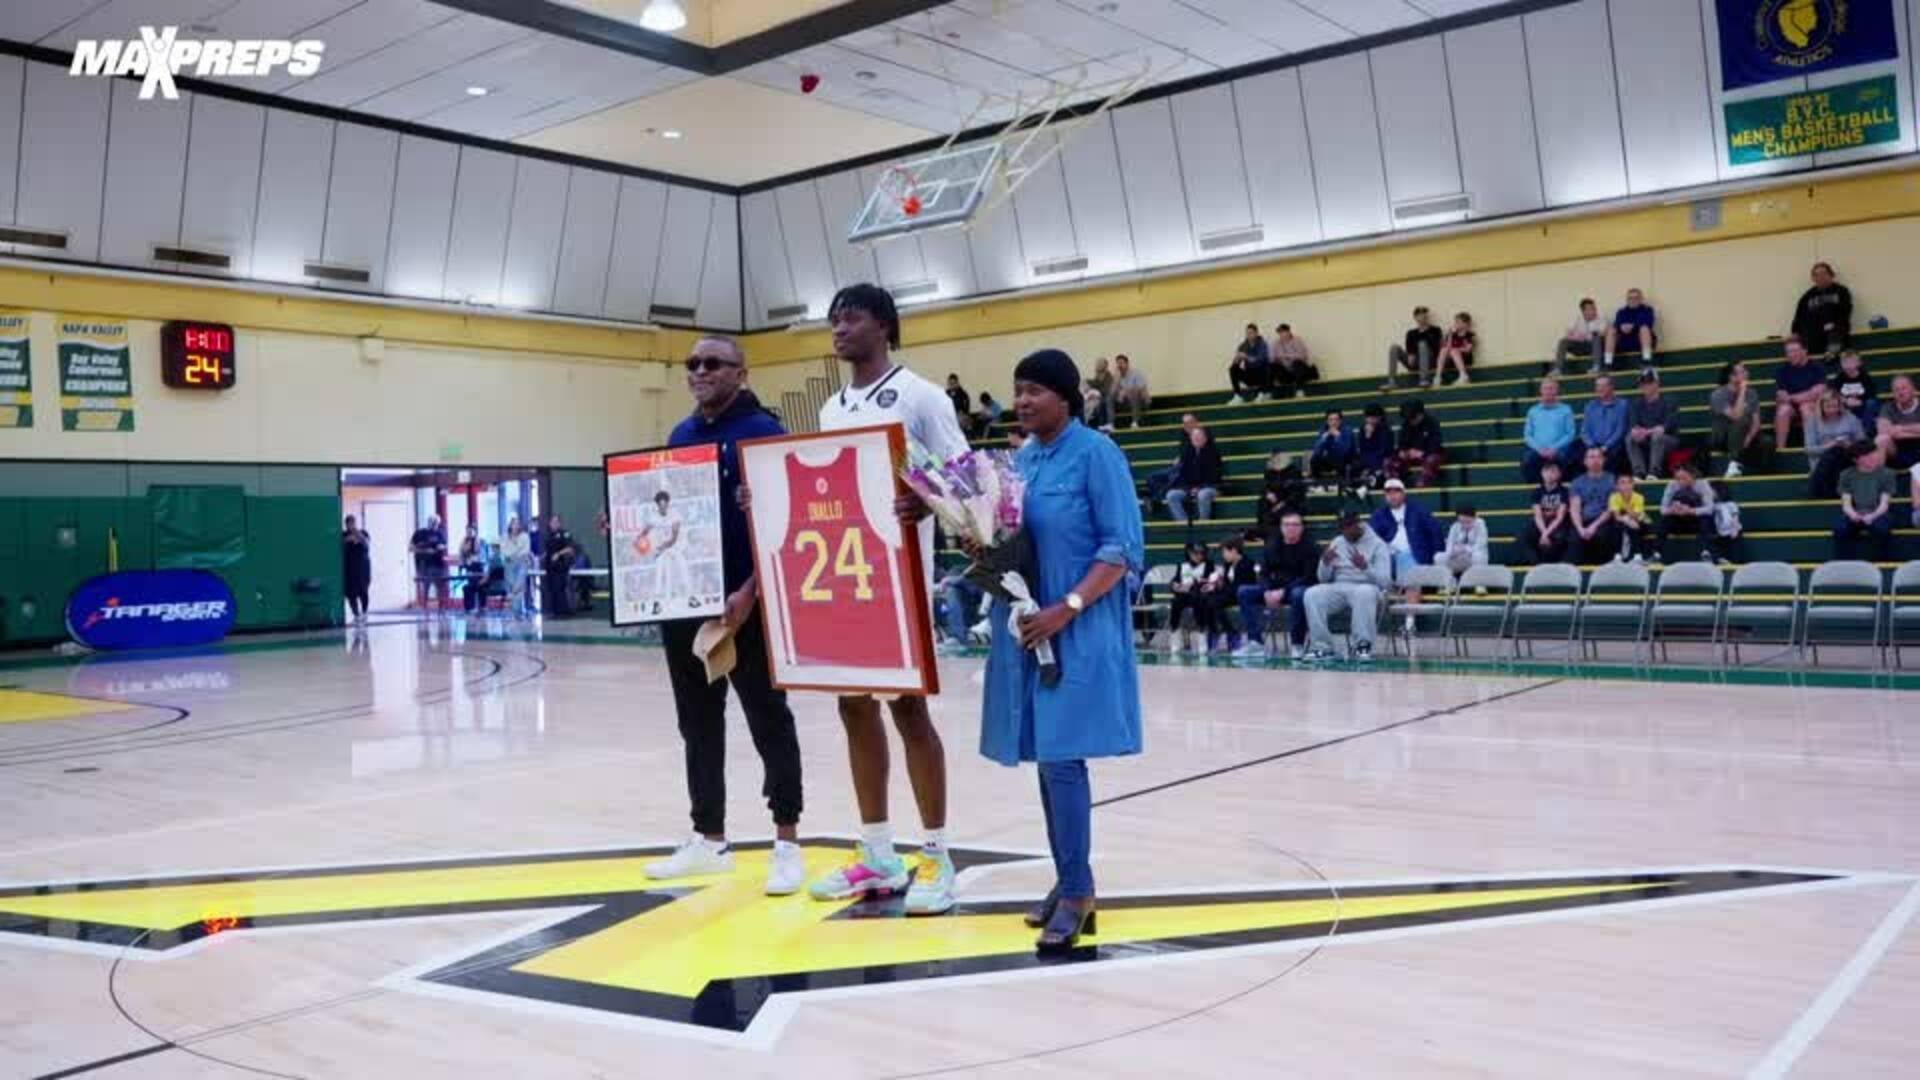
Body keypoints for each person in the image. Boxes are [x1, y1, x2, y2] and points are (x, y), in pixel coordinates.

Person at [807, 283, 971, 915]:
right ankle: (878, 854)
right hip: (846, 584)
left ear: (884, 326)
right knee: (852, 709)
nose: (838, 329)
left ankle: (936, 854)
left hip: (900, 581)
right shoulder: (829, 407)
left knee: (908, 713)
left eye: (849, 318)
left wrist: (924, 499)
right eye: (833, 320)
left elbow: (965, 481)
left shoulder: (923, 397)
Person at [979, 347, 1144, 953]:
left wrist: (1065, 609)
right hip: (1031, 627)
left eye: (1035, 391)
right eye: (1018, 390)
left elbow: (1120, 548)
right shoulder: (1023, 461)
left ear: (1066, 398)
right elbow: (1010, 536)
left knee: (1063, 759)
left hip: (1080, 626)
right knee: (1048, 759)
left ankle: (1078, 892)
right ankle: (1070, 880)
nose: (1022, 401)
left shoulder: (1098, 454)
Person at [644, 335, 807, 895]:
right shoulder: (680, 436)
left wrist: (753, 591)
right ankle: (708, 839)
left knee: (768, 720)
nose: (699, 371)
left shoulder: (765, 433)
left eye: (712, 363)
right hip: (686, 605)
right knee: (697, 723)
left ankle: (786, 842)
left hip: (748, 606)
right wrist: (625, 526)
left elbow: (790, 522)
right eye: (691, 363)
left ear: (741, 372)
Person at [1301, 513, 1392, 664]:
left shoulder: (1378, 544)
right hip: (1339, 586)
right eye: (1342, 528)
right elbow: (1323, 579)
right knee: (1312, 593)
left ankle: (1362, 646)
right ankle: (1323, 647)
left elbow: (1386, 582)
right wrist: (1325, 563)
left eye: (1349, 527)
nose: (1346, 532)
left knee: (1364, 592)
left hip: (1367, 586)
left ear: (1359, 525)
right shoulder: (1338, 541)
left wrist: (1365, 567)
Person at [1261, 511, 1320, 661]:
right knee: (1244, 592)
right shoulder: (1272, 545)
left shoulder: (1311, 547)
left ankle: (1297, 644)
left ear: (1301, 528)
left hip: (1299, 588)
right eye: (1287, 525)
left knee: (1298, 594)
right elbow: (1264, 573)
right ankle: (1254, 642)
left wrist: (1283, 591)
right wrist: (1268, 590)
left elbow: (1309, 577)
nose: (1291, 528)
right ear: (1281, 528)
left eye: (1295, 525)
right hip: (1275, 590)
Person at [1369, 478, 1442, 585]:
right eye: (1388, 493)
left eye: (1396, 491)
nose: (1392, 496)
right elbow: (1372, 539)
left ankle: (1408, 596)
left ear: (1403, 494)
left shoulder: (1418, 511)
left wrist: (1435, 558)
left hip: (1415, 555)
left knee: (1405, 557)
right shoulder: (1379, 515)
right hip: (1388, 558)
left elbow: (1435, 533)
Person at [1834, 440, 1896, 562]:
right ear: (1856, 460)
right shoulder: (1846, 475)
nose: (1874, 456)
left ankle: (1881, 563)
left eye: (1875, 453)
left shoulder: (1887, 474)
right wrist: (1853, 515)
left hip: (1878, 512)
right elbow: (1846, 503)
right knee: (1841, 528)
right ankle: (1843, 563)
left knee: (1881, 529)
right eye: (1868, 455)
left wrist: (1873, 516)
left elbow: (1884, 503)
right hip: (1856, 512)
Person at [1806, 389, 1867, 498]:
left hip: (1846, 457)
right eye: (1828, 407)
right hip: (1822, 462)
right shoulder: (1813, 421)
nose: (1832, 410)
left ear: (1840, 406)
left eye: (1835, 406)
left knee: (1838, 451)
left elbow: (1863, 445)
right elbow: (1809, 450)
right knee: (1833, 453)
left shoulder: (1851, 419)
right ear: (1821, 407)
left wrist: (1849, 445)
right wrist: (1829, 446)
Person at [1711, 361, 1766, 478]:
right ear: (1731, 377)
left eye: (1745, 371)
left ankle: (1763, 477)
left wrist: (1749, 438)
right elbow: (1736, 416)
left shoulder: (1752, 393)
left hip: (1744, 435)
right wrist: (1742, 391)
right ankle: (1733, 463)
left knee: (1767, 442)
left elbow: (1756, 422)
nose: (1747, 373)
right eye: (1742, 371)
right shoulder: (1718, 394)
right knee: (1742, 419)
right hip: (1722, 436)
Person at [1773, 337, 1827, 456]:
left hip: (1813, 406)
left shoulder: (1817, 368)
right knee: (1783, 410)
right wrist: (1804, 395)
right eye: (1788, 352)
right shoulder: (1782, 370)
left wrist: (1792, 397)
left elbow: (1818, 392)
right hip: (1791, 408)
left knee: (1805, 407)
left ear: (1805, 350)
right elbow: (1781, 396)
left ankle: (1811, 447)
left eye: (1794, 351)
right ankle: (1780, 450)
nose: (1791, 355)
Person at [1657, 463, 1720, 562]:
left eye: (1684, 478)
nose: (1680, 481)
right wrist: (1673, 510)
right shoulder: (1672, 485)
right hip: (1678, 520)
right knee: (1664, 520)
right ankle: (1657, 553)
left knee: (1706, 519)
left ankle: (1707, 553)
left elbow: (1710, 508)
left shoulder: (1703, 484)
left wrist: (1690, 511)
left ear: (1693, 476)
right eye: (1678, 478)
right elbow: (1663, 509)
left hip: (1695, 521)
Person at [1522, 379, 1579, 484]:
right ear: (1541, 391)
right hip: (1538, 450)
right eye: (1545, 388)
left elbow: (1570, 433)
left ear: (1557, 391)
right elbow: (1527, 435)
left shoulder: (1566, 409)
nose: (1548, 391)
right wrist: (1540, 449)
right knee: (1528, 459)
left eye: (1551, 388)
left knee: (1570, 458)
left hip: (1560, 449)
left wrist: (1554, 448)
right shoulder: (1533, 411)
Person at [1791, 261, 1852, 357]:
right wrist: (1795, 332)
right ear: (1813, 278)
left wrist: (1833, 325)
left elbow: (1845, 313)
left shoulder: (1842, 292)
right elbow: (1799, 317)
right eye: (1816, 275)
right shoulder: (1807, 296)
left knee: (1835, 336)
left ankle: (1832, 354)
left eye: (1824, 273)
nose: (1820, 277)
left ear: (1831, 275)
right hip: (1814, 335)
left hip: (1835, 333)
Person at [1626, 372, 1680, 480]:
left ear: (1656, 384)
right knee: (1630, 438)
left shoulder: (1669, 402)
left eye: (1648, 383)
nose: (1645, 386)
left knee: (1657, 436)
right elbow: (1634, 424)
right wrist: (1636, 431)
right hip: (1646, 437)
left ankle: (1654, 472)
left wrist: (1647, 432)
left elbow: (1666, 426)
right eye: (1643, 384)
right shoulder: (1636, 403)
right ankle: (1638, 472)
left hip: (1668, 439)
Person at [1569, 446, 1619, 563]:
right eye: (1591, 457)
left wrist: (1594, 526)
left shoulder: (1612, 480)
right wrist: (1580, 528)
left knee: (1602, 536)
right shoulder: (1577, 482)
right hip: (1584, 520)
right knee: (1574, 538)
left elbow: (1611, 508)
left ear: (1603, 460)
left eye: (1598, 457)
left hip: (1604, 520)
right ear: (1585, 461)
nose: (1595, 460)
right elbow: (1574, 508)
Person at [1167, 541, 1218, 655]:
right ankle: (1175, 636)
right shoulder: (1182, 565)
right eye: (1195, 553)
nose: (1199, 556)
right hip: (1184, 595)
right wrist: (1174, 585)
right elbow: (1175, 580)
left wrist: (1197, 584)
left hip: (1199, 595)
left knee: (1199, 601)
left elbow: (1211, 582)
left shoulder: (1209, 565)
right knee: (1175, 602)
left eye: (1201, 553)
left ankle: (1201, 636)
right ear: (1189, 553)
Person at [640, 489, 691, 600]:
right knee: (659, 569)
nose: (663, 507)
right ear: (657, 505)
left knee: (682, 565)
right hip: (661, 548)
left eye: (665, 504)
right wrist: (640, 541)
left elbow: (674, 538)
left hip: (674, 547)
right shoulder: (653, 517)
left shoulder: (675, 515)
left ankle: (690, 594)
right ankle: (657, 598)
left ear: (668, 503)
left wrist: (663, 546)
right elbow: (645, 532)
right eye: (660, 505)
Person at [1167, 425, 1224, 523]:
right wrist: (1189, 489)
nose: (1196, 438)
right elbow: (1183, 474)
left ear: (1205, 438)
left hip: (1211, 487)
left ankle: (1202, 524)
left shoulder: (1213, 453)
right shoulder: (1188, 453)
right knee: (1172, 495)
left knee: (1203, 494)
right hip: (1190, 488)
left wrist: (1199, 488)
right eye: (1193, 436)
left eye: (1198, 436)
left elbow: (1214, 476)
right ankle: (1183, 523)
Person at [1520, 460, 1574, 563]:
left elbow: (1560, 516)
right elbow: (1537, 515)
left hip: (1559, 524)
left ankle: (1558, 564)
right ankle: (1535, 563)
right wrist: (1544, 532)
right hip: (1542, 523)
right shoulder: (1537, 492)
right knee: (1524, 535)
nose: (1549, 474)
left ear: (1559, 474)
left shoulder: (1564, 491)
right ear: (1541, 473)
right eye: (1546, 471)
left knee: (1560, 536)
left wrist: (1546, 533)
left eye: (1553, 471)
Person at [1213, 538, 1259, 653]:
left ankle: (1232, 634)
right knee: (1209, 600)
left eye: (1224, 552)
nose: (1223, 555)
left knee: (1214, 601)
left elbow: (1240, 587)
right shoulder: (1228, 565)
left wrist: (1222, 586)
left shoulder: (1247, 564)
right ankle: (1228, 632)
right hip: (1231, 595)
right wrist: (1217, 585)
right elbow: (1228, 586)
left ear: (1233, 551)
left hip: (1245, 597)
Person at [1390, 399, 1445, 488]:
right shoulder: (1406, 425)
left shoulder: (1432, 423)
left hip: (1428, 454)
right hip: (1411, 456)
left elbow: (1436, 444)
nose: (1411, 421)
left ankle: (1422, 485)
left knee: (1432, 459)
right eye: (1409, 419)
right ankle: (1395, 486)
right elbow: (1402, 443)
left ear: (1420, 414)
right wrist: (1403, 452)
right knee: (1391, 461)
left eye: (1413, 418)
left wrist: (1422, 453)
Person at [1582, 374, 1630, 474]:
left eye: (1603, 386)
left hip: (1613, 445)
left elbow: (1620, 430)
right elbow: (1585, 430)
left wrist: (1606, 446)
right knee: (1576, 454)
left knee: (1615, 455)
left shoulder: (1622, 404)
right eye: (1598, 386)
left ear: (1611, 387)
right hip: (1593, 445)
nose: (1600, 389)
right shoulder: (1590, 406)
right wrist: (1592, 446)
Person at [1386, 306, 1442, 389]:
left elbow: (1437, 348)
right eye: (1420, 316)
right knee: (1394, 347)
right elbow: (1409, 348)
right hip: (1414, 361)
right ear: (1415, 318)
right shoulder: (1411, 333)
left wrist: (1425, 336)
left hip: (1430, 361)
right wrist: (1411, 354)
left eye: (1425, 316)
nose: (1423, 318)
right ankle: (1391, 381)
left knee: (1422, 344)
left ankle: (1424, 380)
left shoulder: (1435, 330)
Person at [1604, 287, 1657, 371]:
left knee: (1644, 329)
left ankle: (1647, 361)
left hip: (1641, 341)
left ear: (1641, 299)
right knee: (1611, 330)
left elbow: (1648, 322)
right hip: (1625, 341)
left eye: (1636, 298)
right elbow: (1617, 324)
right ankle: (1608, 363)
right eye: (1630, 298)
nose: (1633, 300)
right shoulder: (1621, 312)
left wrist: (1633, 326)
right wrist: (1621, 327)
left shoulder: (1647, 310)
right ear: (1627, 300)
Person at [937, 565, 986, 653]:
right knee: (952, 588)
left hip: (989, 579)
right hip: (968, 573)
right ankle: (957, 637)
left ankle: (958, 636)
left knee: (953, 582)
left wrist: (952, 580)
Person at [1552, 298, 1607, 376]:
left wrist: (1585, 336)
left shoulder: (1601, 319)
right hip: (1579, 347)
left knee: (1596, 338)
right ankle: (1557, 369)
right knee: (1563, 341)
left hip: (1593, 347)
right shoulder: (1576, 319)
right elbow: (1568, 334)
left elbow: (1602, 334)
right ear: (1583, 311)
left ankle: (1596, 367)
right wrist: (1577, 337)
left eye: (1594, 308)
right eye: (1590, 309)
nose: (1594, 311)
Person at [1876, 374, 1920, 470]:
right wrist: (1916, 430)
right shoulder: (1887, 407)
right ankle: (1879, 479)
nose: (1900, 392)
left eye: (1904, 388)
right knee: (1881, 439)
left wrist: (1900, 429)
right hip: (1897, 450)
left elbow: (1893, 431)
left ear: (1913, 389)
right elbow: (1883, 431)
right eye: (1896, 390)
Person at [1256, 451, 1308, 531]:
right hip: (1274, 500)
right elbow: (1264, 486)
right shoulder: (1269, 471)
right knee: (1262, 502)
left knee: (1280, 511)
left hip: (1290, 501)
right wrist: (1268, 493)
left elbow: (1297, 493)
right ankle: (1262, 529)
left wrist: (1281, 504)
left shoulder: (1294, 472)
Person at [1309, 408, 1357, 491]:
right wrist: (1323, 438)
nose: (1333, 422)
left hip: (1346, 459)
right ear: (1327, 421)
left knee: (1342, 459)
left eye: (1336, 420)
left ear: (1341, 421)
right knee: (1314, 460)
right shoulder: (1324, 431)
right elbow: (1317, 451)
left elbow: (1345, 451)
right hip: (1331, 459)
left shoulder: (1347, 431)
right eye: (1330, 420)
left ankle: (1339, 484)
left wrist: (1338, 437)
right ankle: (1319, 484)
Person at [541, 514, 578, 617]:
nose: (554, 524)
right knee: (551, 589)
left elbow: (570, 548)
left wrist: (559, 554)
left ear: (560, 523)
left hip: (560, 566)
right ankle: (554, 612)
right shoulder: (548, 535)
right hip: (549, 566)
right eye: (552, 522)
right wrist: (542, 557)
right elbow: (548, 550)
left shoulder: (565, 534)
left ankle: (564, 612)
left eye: (556, 522)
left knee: (559, 588)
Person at [410, 514, 449, 611]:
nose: (435, 525)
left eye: (437, 523)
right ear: (429, 522)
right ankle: (425, 608)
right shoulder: (419, 533)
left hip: (438, 565)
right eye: (433, 522)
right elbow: (411, 548)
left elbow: (444, 545)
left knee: (441, 588)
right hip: (423, 565)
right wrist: (424, 551)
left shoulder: (440, 533)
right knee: (425, 587)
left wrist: (441, 547)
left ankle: (442, 608)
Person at [1829, 349, 1879, 424]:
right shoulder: (1839, 378)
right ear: (1841, 364)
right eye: (1845, 362)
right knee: (1834, 403)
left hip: (1862, 406)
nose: (1848, 366)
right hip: (1846, 406)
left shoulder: (1865, 377)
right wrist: (1846, 400)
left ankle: (1865, 430)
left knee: (1871, 403)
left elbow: (1871, 394)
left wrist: (1860, 401)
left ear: (1858, 363)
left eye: (1851, 362)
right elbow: (1834, 393)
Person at [1608, 473, 1649, 563]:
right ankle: (1617, 556)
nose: (1626, 485)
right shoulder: (1614, 497)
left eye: (1629, 482)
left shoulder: (1639, 497)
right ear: (1617, 486)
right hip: (1624, 522)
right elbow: (1616, 516)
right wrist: (1627, 520)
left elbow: (1637, 515)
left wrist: (1626, 504)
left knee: (1633, 526)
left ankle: (1638, 556)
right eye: (1622, 483)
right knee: (1618, 525)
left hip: (1640, 521)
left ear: (1633, 485)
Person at [1228, 322, 1271, 405]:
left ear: (1256, 333)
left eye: (1251, 333)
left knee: (1266, 365)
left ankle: (1262, 393)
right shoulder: (1243, 345)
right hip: (1249, 375)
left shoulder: (1262, 344)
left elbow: (1259, 360)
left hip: (1261, 375)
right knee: (1233, 368)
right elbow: (1236, 362)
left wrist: (1246, 356)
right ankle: (1238, 396)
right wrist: (1236, 359)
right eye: (1247, 333)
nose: (1249, 335)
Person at [1354, 404, 1394, 490]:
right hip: (1367, 460)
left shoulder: (1385, 430)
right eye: (1368, 417)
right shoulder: (1363, 429)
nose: (1370, 420)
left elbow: (1384, 450)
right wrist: (1368, 436)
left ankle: (1366, 484)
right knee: (1356, 464)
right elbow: (1362, 449)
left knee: (1381, 464)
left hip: (1380, 460)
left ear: (1379, 417)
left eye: (1373, 417)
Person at [1271, 324, 1318, 398]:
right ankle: (1271, 392)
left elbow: (1302, 356)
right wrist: (1277, 359)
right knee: (1272, 366)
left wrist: (1287, 356)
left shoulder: (1297, 340)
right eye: (1279, 333)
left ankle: (1300, 390)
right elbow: (1274, 357)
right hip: (1287, 371)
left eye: (1283, 332)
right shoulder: (1277, 343)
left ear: (1288, 332)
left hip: (1299, 369)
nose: (1281, 334)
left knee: (1297, 363)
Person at [1439, 506, 1489, 576]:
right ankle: (1448, 582)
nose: (1465, 525)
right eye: (1462, 522)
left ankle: (1478, 583)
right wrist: (1452, 552)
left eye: (1468, 522)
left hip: (1472, 556)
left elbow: (1480, 545)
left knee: (1478, 556)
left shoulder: (1481, 525)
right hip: (1457, 557)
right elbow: (1449, 544)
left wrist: (1465, 549)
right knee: (1439, 557)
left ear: (1474, 518)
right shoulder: (1454, 526)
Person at [500, 515, 533, 619]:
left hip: (522, 562)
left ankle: (516, 612)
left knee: (518, 587)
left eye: (517, 524)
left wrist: (514, 549)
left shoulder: (525, 536)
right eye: (513, 523)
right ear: (510, 525)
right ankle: (512, 612)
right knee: (510, 585)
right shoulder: (505, 537)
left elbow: (525, 551)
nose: (515, 525)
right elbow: (504, 551)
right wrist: (515, 549)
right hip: (509, 563)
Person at [342, 515, 371, 623]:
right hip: (349, 568)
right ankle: (356, 614)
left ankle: (364, 612)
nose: (351, 525)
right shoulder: (344, 534)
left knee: (363, 591)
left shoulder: (363, 532)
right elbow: (342, 543)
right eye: (348, 524)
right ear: (346, 524)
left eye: (352, 523)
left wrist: (356, 534)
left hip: (363, 567)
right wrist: (348, 539)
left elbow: (366, 543)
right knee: (350, 593)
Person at [457, 524, 489, 613]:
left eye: (471, 531)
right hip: (469, 568)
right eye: (467, 531)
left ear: (475, 531)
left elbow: (484, 555)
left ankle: (483, 607)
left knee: (481, 586)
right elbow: (461, 556)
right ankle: (470, 608)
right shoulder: (463, 542)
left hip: (480, 567)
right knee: (469, 587)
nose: (469, 533)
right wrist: (461, 568)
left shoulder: (481, 541)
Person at [1437, 311, 1475, 386]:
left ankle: (1463, 375)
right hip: (1451, 359)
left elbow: (1468, 349)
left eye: (1458, 322)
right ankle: (1438, 376)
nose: (1456, 324)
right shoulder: (1452, 334)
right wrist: (1451, 334)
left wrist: (1457, 349)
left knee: (1454, 350)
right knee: (1444, 349)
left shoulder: (1469, 335)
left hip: (1465, 358)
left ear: (1466, 324)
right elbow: (1447, 346)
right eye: (1455, 322)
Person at [1112, 353, 1150, 428]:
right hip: (1125, 403)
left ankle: (1135, 421)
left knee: (1134, 392)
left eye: (1121, 363)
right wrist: (1116, 380)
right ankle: (1110, 424)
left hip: (1141, 401)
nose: (1119, 366)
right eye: (1118, 363)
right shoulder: (1117, 376)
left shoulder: (1136, 373)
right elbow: (1112, 393)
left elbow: (1142, 391)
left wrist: (1125, 392)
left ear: (1127, 364)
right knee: (1109, 397)